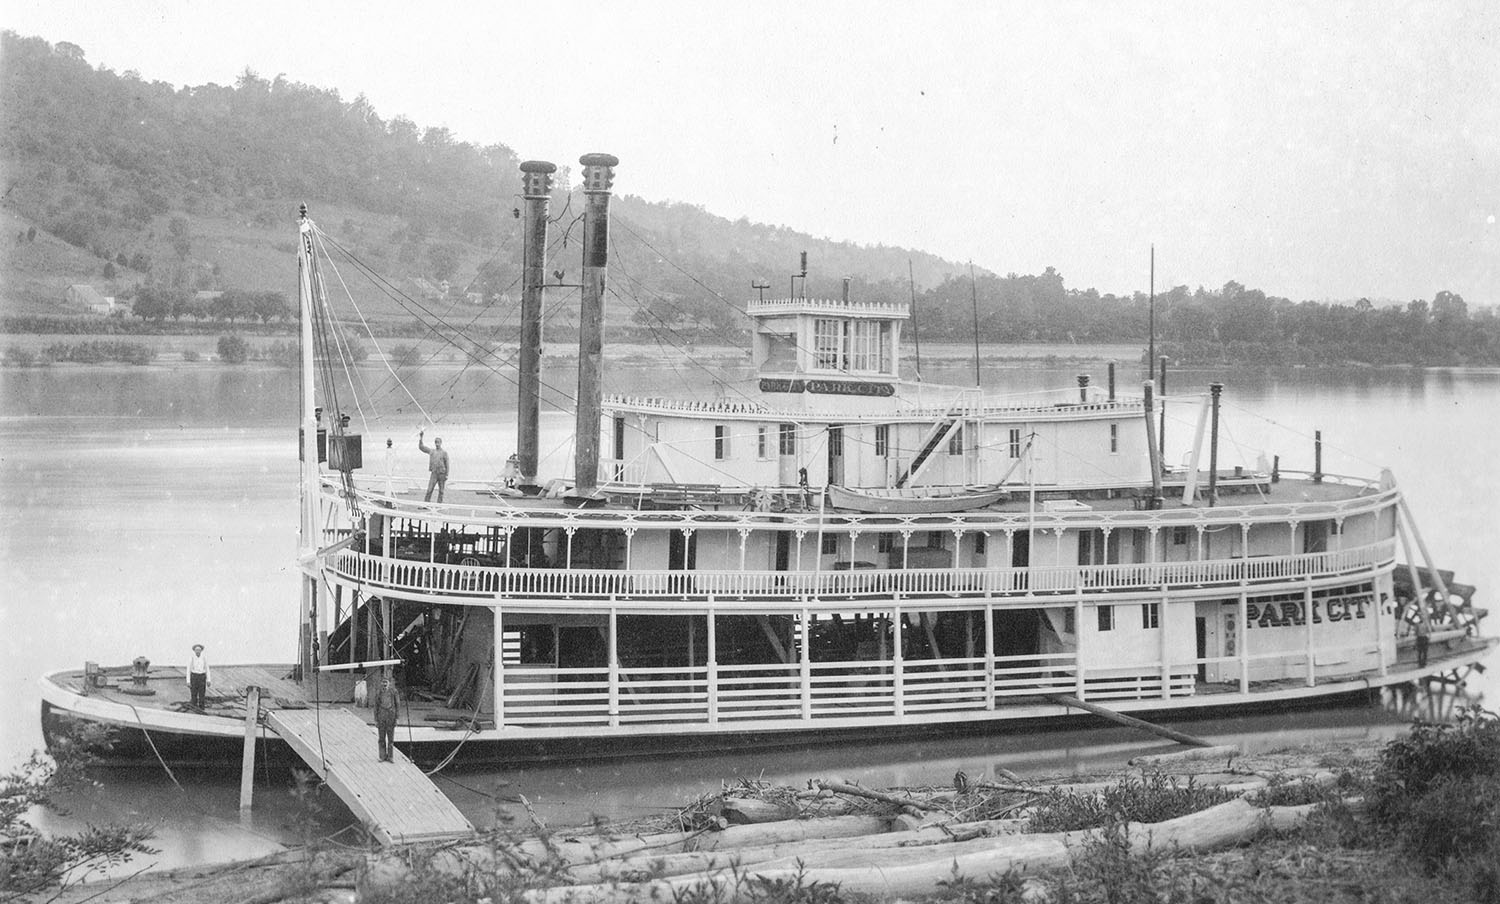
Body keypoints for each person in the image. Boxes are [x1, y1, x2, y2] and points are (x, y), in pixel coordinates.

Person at [374, 670, 399, 762]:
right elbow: (376, 706)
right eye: (383, 682)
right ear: (381, 683)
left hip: (391, 717)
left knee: (391, 738)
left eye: (386, 682)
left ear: (389, 683)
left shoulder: (394, 692)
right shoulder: (379, 692)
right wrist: (375, 719)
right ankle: (382, 756)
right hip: (381, 717)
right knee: (381, 738)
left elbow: (397, 705)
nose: (384, 684)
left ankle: (390, 756)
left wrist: (397, 718)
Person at [418, 430, 450, 502]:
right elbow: (422, 447)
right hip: (434, 473)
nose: (437, 444)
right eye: (436, 442)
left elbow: (447, 464)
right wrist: (421, 437)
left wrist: (447, 474)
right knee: (429, 489)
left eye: (438, 442)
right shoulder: (432, 451)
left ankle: (439, 504)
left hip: (442, 473)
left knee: (441, 491)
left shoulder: (444, 453)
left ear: (441, 443)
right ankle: (426, 504)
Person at [186, 644, 210, 709]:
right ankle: (194, 706)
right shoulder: (191, 657)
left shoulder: (204, 658)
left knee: (202, 692)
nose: (198, 651)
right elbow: (188, 669)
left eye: (199, 650)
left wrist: (208, 680)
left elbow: (207, 668)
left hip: (202, 676)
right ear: (194, 651)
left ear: (201, 651)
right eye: (196, 650)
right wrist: (188, 681)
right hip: (194, 676)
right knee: (194, 692)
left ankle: (201, 707)